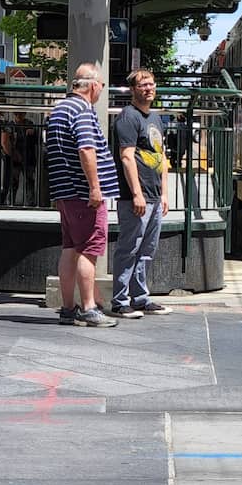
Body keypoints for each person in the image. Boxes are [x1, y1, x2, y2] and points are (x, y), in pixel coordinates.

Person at [45, 65, 119, 328]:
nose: (101, 90)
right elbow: (86, 149)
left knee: (70, 249)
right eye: (102, 85)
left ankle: (68, 308)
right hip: (82, 194)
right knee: (89, 250)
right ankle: (88, 308)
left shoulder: (60, 109)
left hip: (65, 192)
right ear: (92, 85)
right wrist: (95, 188)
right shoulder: (83, 111)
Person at [111, 69, 170, 317]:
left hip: (155, 197)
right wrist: (136, 193)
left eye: (151, 84)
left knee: (147, 250)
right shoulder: (128, 117)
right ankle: (120, 301)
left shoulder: (155, 118)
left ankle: (140, 297)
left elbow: (161, 157)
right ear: (133, 90)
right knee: (129, 247)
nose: (149, 88)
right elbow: (127, 157)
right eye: (143, 84)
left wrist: (164, 193)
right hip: (137, 197)